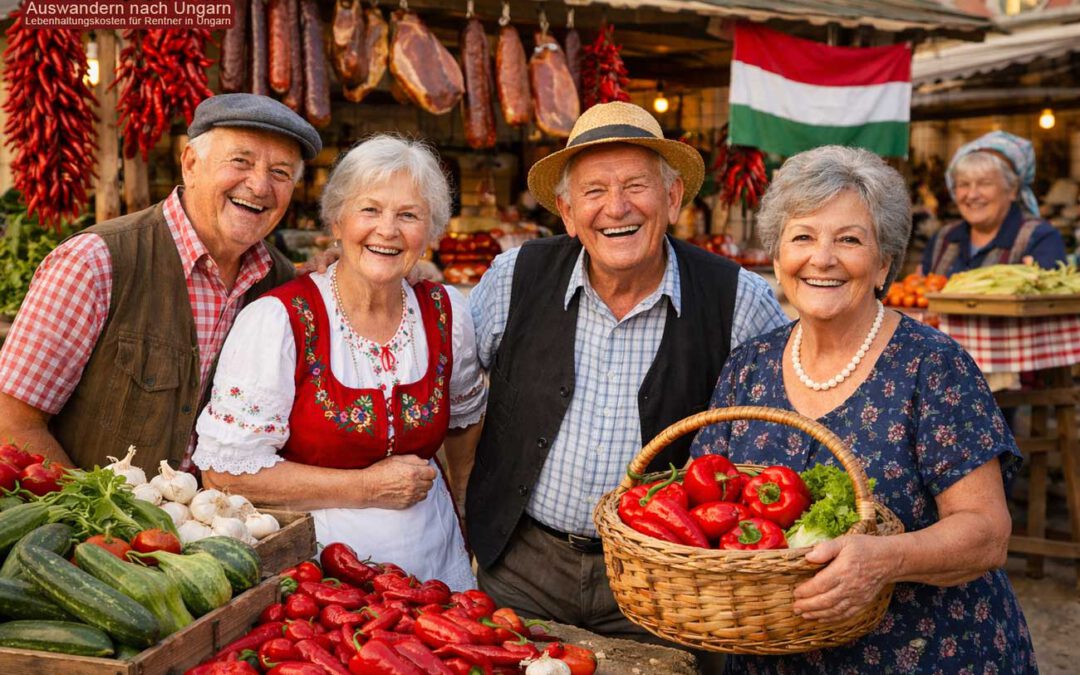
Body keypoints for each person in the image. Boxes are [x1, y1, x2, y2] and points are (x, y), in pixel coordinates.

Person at [692, 145, 1037, 673]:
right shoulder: (748, 366)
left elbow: (987, 533)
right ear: (778, 257)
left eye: (849, 239)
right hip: (775, 656)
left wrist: (886, 560)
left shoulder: (933, 366)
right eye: (802, 236)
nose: (822, 258)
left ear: (882, 264)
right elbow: (704, 514)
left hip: (925, 654)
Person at [463, 102, 789, 638]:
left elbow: (781, 434)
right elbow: (453, 394)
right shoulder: (513, 277)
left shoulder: (739, 299)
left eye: (636, 185)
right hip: (523, 567)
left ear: (673, 198)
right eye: (594, 191)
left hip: (668, 577)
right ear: (567, 213)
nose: (616, 207)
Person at [192, 135, 486, 590]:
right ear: (337, 220)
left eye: (408, 215)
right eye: (369, 210)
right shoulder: (279, 321)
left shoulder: (448, 311)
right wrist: (367, 488)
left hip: (437, 569)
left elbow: (465, 422)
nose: (387, 230)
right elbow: (225, 473)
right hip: (319, 579)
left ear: (429, 233)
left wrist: (465, 504)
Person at [0, 93, 320, 472]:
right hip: (94, 527)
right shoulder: (96, 263)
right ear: (191, 164)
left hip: (216, 523)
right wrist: (96, 513)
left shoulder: (278, 283)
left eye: (281, 173)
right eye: (240, 162)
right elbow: (12, 423)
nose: (260, 186)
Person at [922, 130, 1066, 276]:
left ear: (1012, 190)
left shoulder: (1040, 238)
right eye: (963, 184)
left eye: (985, 183)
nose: (972, 195)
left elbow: (1050, 295)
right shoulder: (943, 238)